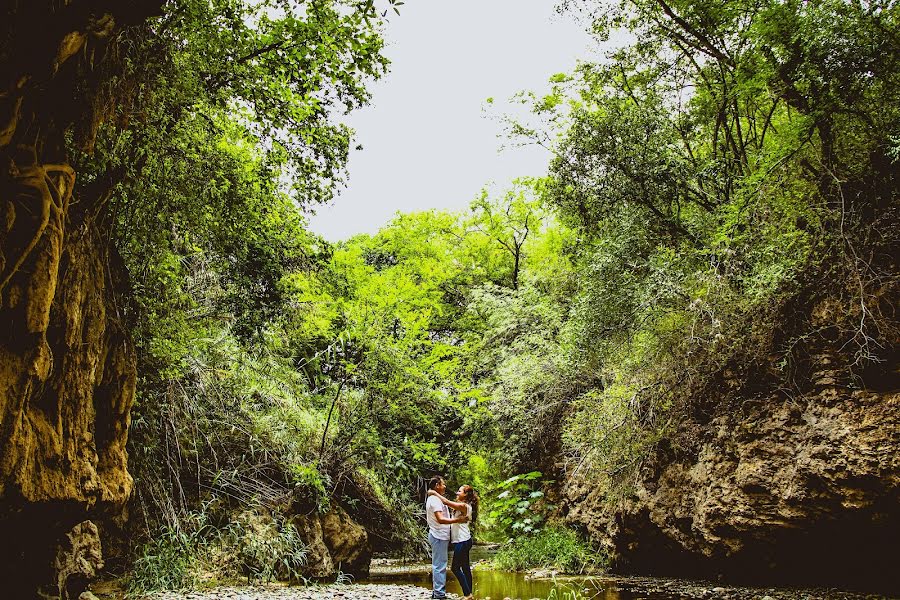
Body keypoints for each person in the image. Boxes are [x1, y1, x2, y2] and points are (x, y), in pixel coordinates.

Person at [428, 483, 479, 599]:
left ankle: (467, 594)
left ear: (465, 495)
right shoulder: (462, 505)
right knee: (465, 567)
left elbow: (446, 502)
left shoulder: (464, 506)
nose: (457, 493)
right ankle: (469, 593)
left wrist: (434, 493)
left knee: (455, 568)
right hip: (464, 540)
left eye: (460, 491)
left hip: (462, 541)